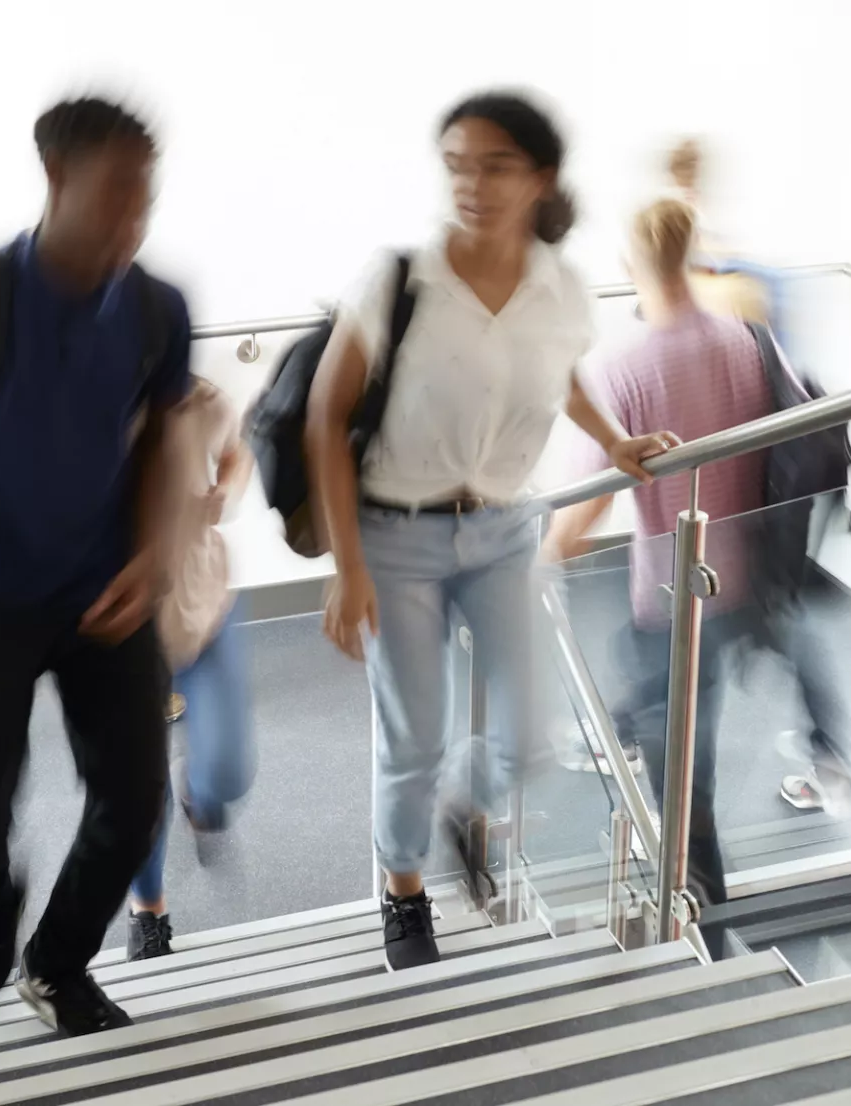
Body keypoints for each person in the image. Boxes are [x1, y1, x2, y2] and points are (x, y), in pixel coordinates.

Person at [308, 91, 677, 970]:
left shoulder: (560, 287)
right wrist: (346, 565)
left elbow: (561, 373)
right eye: (457, 164)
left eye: (495, 165)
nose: (471, 184)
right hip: (396, 536)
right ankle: (403, 894)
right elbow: (326, 418)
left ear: (539, 177)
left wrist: (613, 439)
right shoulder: (401, 279)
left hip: (505, 528)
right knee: (414, 736)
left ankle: (461, 805)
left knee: (531, 736)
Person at [0, 96, 186, 1036]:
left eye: (147, 198)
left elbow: (163, 447)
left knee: (136, 804)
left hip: (103, 592)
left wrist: (154, 558)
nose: (134, 219)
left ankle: (56, 963)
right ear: (54, 178)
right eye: (116, 194)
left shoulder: (155, 309)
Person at [545, 198, 851, 908]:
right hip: (748, 576)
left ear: (630, 267)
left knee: (684, 757)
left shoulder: (623, 367)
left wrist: (542, 557)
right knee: (677, 710)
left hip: (671, 595)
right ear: (690, 258)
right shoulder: (748, 339)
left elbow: (587, 500)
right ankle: (698, 852)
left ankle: (693, 891)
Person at [128, 376, 257, 960]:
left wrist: (224, 492)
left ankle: (202, 800)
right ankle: (148, 909)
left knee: (230, 771)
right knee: (134, 790)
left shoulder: (196, 397)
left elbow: (238, 448)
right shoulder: (68, 410)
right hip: (122, 634)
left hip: (203, 610)